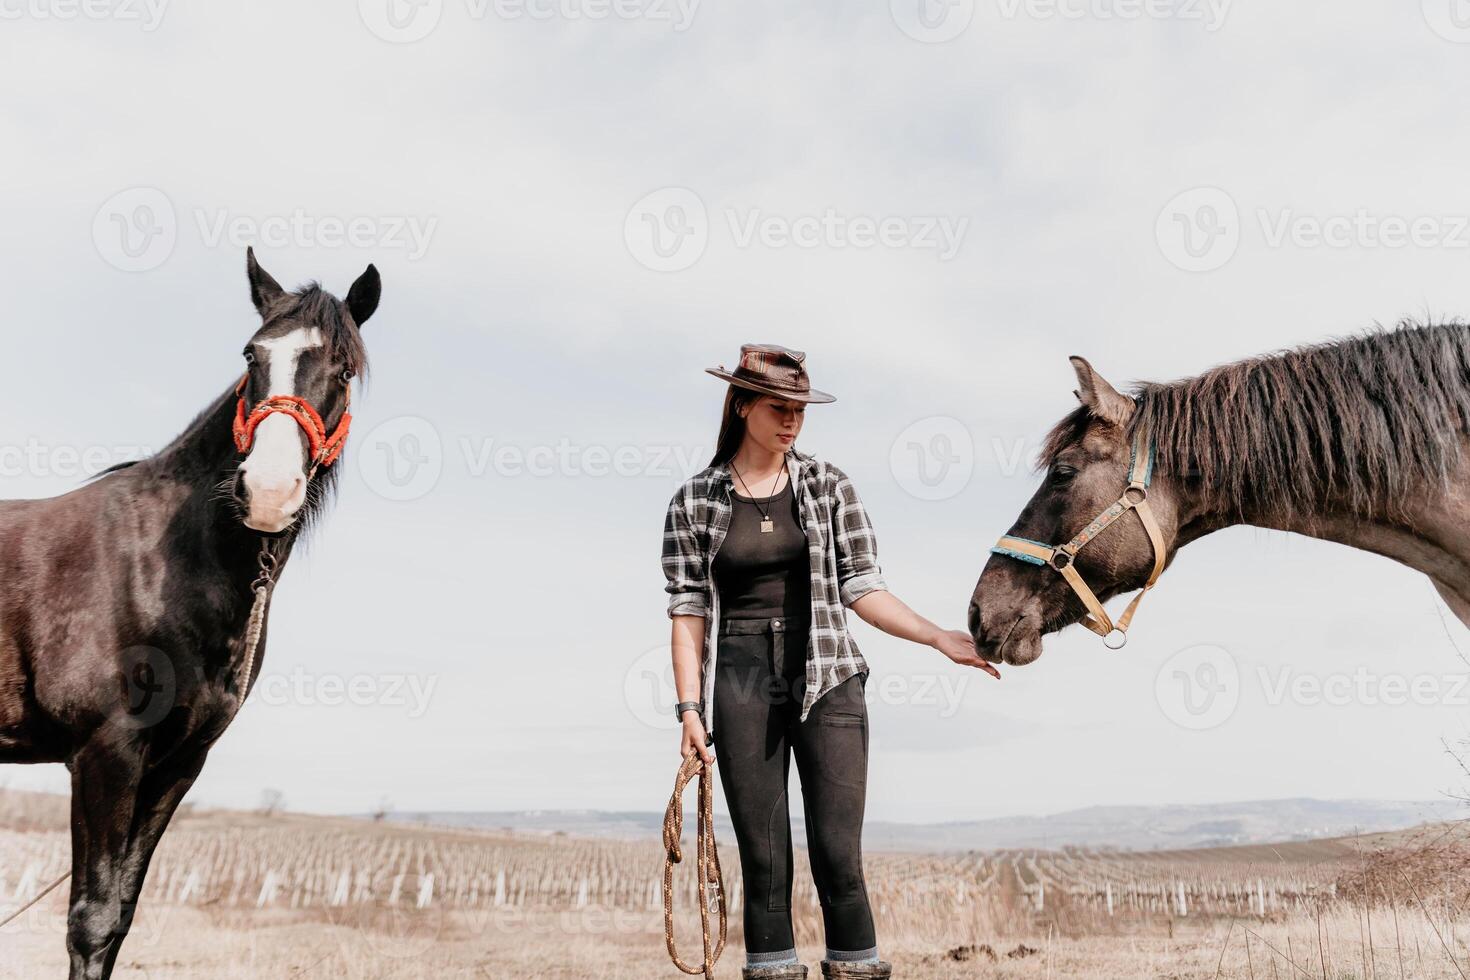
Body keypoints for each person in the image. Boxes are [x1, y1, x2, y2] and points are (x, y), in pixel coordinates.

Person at [660, 343, 1001, 980]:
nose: (791, 420)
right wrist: (688, 710)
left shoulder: (827, 485)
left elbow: (863, 587)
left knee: (838, 857)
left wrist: (937, 637)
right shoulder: (694, 501)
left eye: (800, 409)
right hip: (740, 685)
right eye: (778, 407)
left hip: (829, 679)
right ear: (741, 407)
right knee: (764, 864)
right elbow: (687, 616)